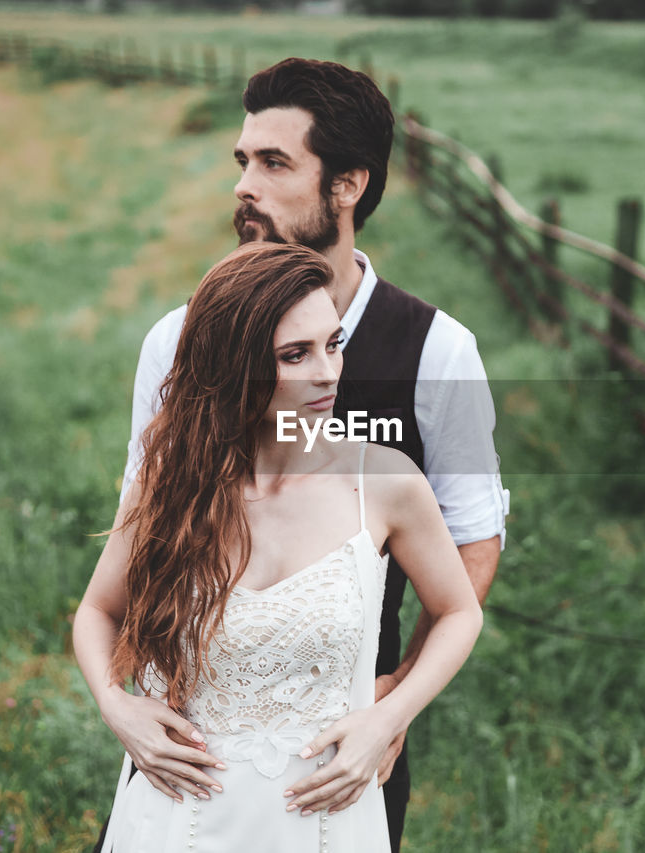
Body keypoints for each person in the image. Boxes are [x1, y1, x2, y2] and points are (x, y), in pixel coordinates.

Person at [94, 57, 507, 852]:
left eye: (274, 163)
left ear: (347, 185)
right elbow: (138, 539)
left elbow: (473, 543)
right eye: (242, 161)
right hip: (189, 751)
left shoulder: (438, 351)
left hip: (345, 738)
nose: (245, 185)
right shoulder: (177, 342)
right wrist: (124, 699)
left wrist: (392, 704)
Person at [74, 242, 483, 852]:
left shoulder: (385, 482)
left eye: (333, 343)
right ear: (236, 367)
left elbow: (459, 610)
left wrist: (388, 716)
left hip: (323, 819)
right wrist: (116, 705)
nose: (327, 371)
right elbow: (97, 611)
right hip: (177, 819)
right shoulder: (171, 482)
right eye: (295, 355)